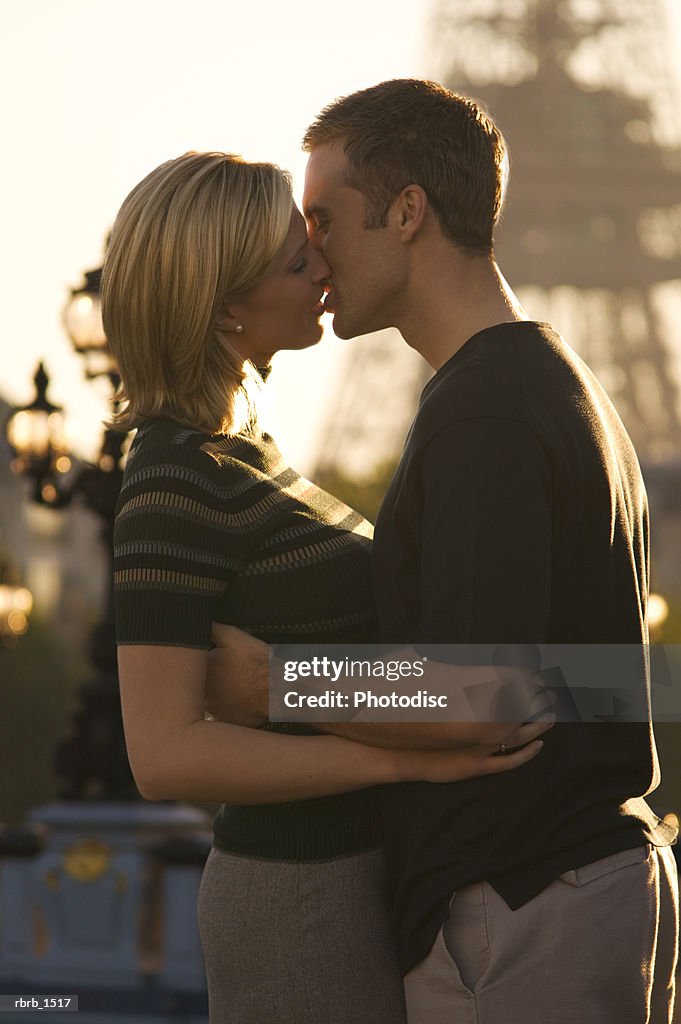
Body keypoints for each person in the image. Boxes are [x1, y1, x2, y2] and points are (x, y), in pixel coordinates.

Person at [209, 80, 679, 1023]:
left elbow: (479, 692)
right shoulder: (547, 382)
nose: (310, 251)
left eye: (325, 218)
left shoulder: (486, 410)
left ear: (408, 212)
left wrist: (271, 686)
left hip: (520, 907)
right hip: (571, 888)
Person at [102, 151, 552, 1024]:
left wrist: (283, 684)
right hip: (297, 897)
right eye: (291, 257)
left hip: (351, 879)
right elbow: (163, 756)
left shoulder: (246, 457)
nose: (320, 262)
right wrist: (398, 758)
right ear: (225, 303)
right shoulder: (172, 476)